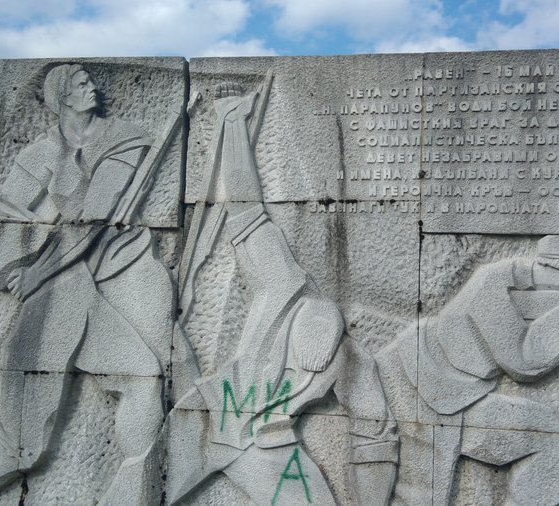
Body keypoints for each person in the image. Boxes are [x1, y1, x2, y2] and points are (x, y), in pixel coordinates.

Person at [0, 64, 175, 505]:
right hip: (48, 308)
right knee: (21, 446)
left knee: (143, 379)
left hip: (73, 287)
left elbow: (80, 216)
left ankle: (131, 492)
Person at [168, 82, 398, 505]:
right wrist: (233, 123)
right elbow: (246, 207)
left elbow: (377, 433)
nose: (313, 358)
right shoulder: (280, 282)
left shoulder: (352, 361)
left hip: (269, 445)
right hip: (205, 420)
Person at [376, 235, 559, 505]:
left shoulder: (522, 283)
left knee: (555, 443)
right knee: (423, 495)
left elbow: (537, 309)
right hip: (420, 384)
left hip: (455, 394)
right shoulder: (492, 284)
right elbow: (525, 362)